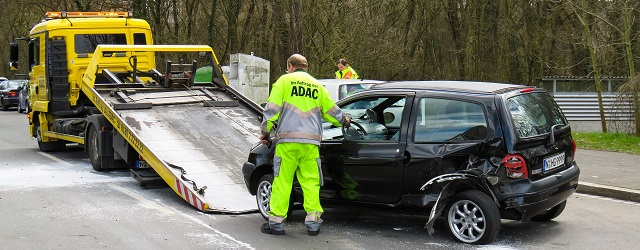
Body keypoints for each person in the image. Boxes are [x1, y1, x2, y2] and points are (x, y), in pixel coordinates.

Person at [259, 54, 350, 236]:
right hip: (311, 144)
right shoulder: (317, 86)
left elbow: (272, 110)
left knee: (283, 181)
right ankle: (313, 222)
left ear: (290, 66)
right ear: (306, 67)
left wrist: (265, 132)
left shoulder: (284, 82)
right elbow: (332, 111)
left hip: (288, 142)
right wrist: (345, 121)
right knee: (311, 182)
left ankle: (276, 222)